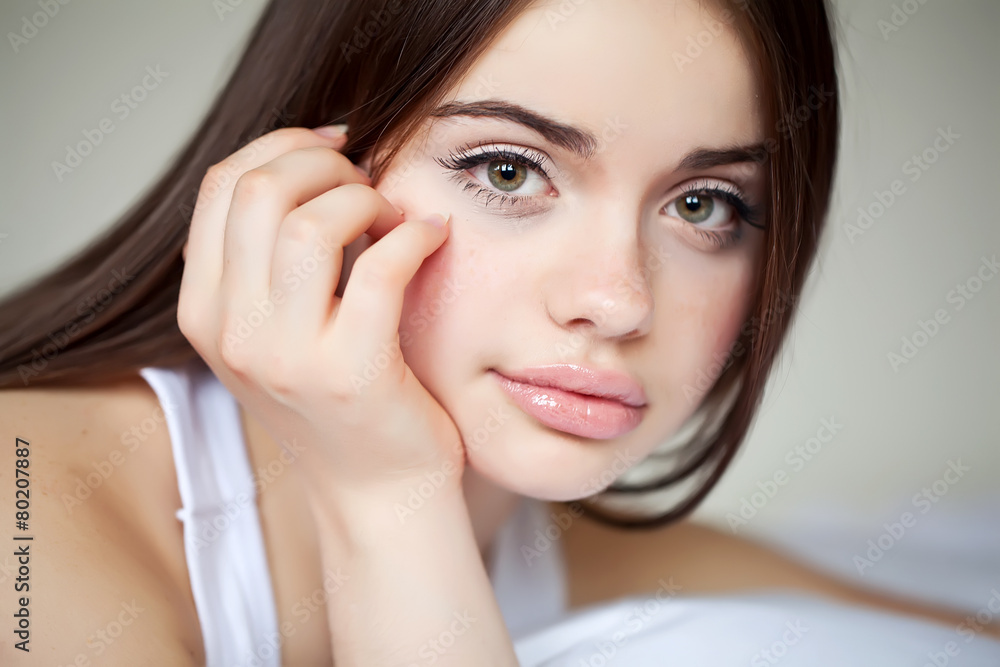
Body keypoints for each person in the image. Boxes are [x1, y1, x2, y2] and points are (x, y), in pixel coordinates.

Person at [1, 0, 996, 664]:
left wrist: (395, 501)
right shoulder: (25, 514)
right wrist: (384, 497)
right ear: (298, 182)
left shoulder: (560, 550)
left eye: (703, 206)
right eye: (508, 171)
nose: (617, 302)